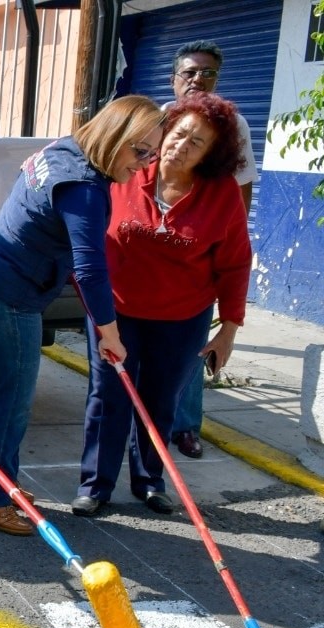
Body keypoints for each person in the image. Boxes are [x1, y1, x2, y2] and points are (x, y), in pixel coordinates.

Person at [0, 94, 164, 535]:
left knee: (11, 397)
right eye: (139, 151)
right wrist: (110, 333)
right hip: (11, 294)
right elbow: (90, 267)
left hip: (0, 277)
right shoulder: (85, 188)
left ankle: (2, 482)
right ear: (114, 137)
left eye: (153, 153)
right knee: (13, 402)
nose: (145, 164)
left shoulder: (67, 149)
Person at [72, 93, 251, 517]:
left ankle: (150, 481)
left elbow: (236, 262)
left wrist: (228, 329)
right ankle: (95, 485)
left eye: (197, 142)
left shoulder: (220, 193)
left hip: (182, 317)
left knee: (160, 400)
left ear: (211, 154)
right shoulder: (128, 171)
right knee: (108, 395)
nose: (180, 145)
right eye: (179, 132)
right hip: (114, 310)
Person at [167, 40, 259, 460]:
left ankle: (185, 427)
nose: (198, 80)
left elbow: (242, 189)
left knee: (192, 346)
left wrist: (227, 247)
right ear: (174, 79)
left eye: (207, 73)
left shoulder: (231, 124)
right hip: (154, 248)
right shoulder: (159, 119)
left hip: (201, 254)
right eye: (190, 72)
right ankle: (138, 425)